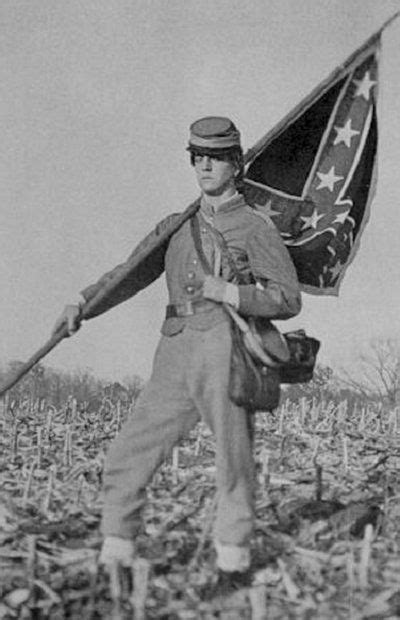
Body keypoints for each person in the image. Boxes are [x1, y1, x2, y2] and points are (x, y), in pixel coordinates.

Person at [53, 116, 301, 585]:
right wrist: (82, 303)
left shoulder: (254, 226)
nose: (204, 165)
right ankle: (117, 556)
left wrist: (228, 292)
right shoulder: (176, 225)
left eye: (215, 157)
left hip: (226, 346)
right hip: (174, 347)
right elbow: (129, 272)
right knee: (130, 450)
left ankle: (233, 563)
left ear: (237, 163)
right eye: (197, 157)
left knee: (233, 457)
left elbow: (286, 298)